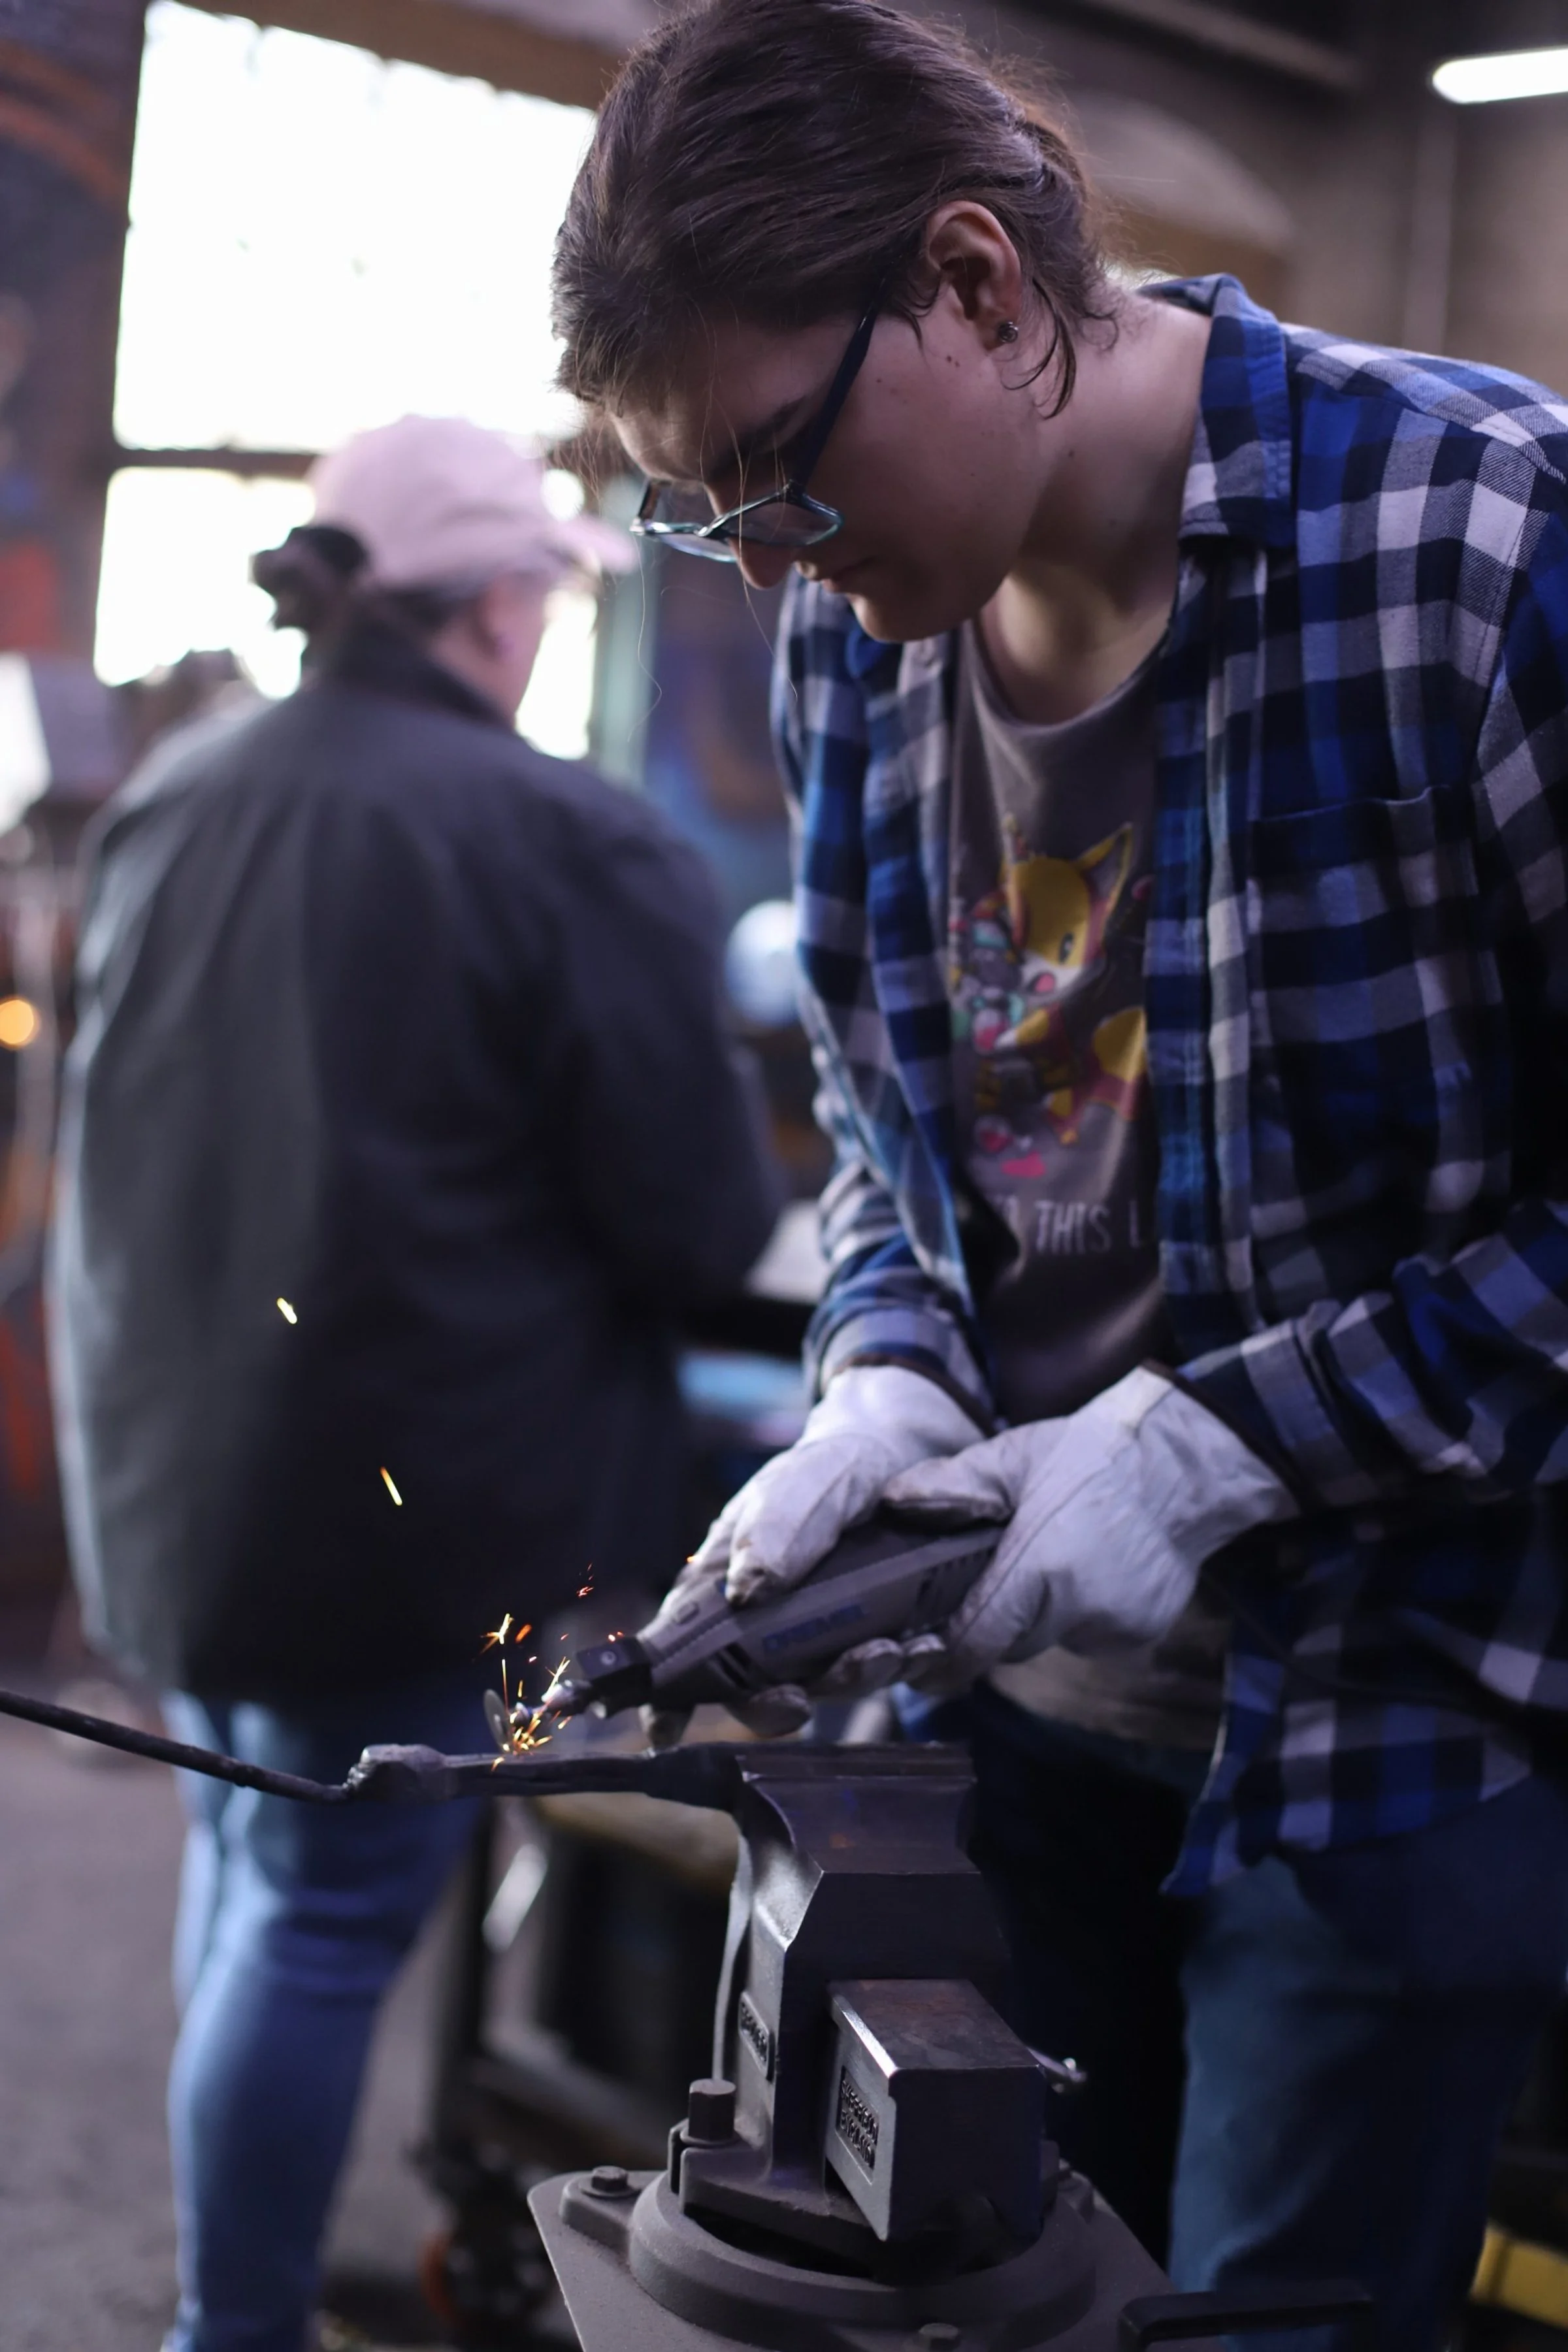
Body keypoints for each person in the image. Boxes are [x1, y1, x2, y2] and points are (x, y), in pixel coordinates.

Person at [549, 3, 1568, 2344]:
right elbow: (896, 1136)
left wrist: (1223, 1446)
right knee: (962, 2301)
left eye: (779, 474)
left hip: (1392, 1721)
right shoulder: (859, 649)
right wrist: (888, 1370)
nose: (768, 567)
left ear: (977, 281)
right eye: (707, 514)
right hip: (1004, 1721)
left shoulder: (1484, 547)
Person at [46, 412, 779, 2352]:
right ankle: (235, 2328)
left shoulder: (179, 793)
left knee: (255, 1863)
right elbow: (704, 1224)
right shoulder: (565, 837)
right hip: (403, 1525)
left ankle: (233, 2294)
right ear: (501, 607)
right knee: (315, 1912)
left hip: (177, 1489)